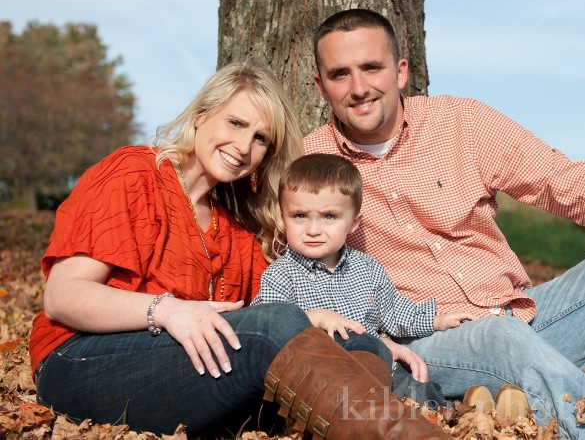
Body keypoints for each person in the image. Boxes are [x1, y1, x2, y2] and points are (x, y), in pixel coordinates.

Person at [303, 8, 585, 439]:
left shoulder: (461, 122)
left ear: (400, 71)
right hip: (425, 347)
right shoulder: (307, 163)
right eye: (340, 74)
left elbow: (561, 180)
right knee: (498, 335)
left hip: (522, 317)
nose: (359, 87)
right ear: (321, 87)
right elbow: (287, 269)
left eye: (371, 67)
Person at [29, 58, 452, 440]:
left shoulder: (236, 231)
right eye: (235, 123)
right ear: (201, 115)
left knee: (360, 345)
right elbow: (63, 298)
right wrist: (168, 310)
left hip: (188, 373)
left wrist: (371, 341)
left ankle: (406, 417)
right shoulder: (134, 174)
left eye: (260, 138)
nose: (244, 146)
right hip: (82, 363)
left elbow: (264, 332)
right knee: (278, 325)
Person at [251, 153, 473, 356]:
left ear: (353, 223)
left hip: (374, 362)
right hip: (315, 369)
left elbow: (394, 312)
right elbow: (265, 328)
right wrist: (314, 318)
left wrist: (436, 322)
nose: (313, 229)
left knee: (417, 377)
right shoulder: (281, 275)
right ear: (283, 218)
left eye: (329, 217)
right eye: (300, 216)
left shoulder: (366, 268)